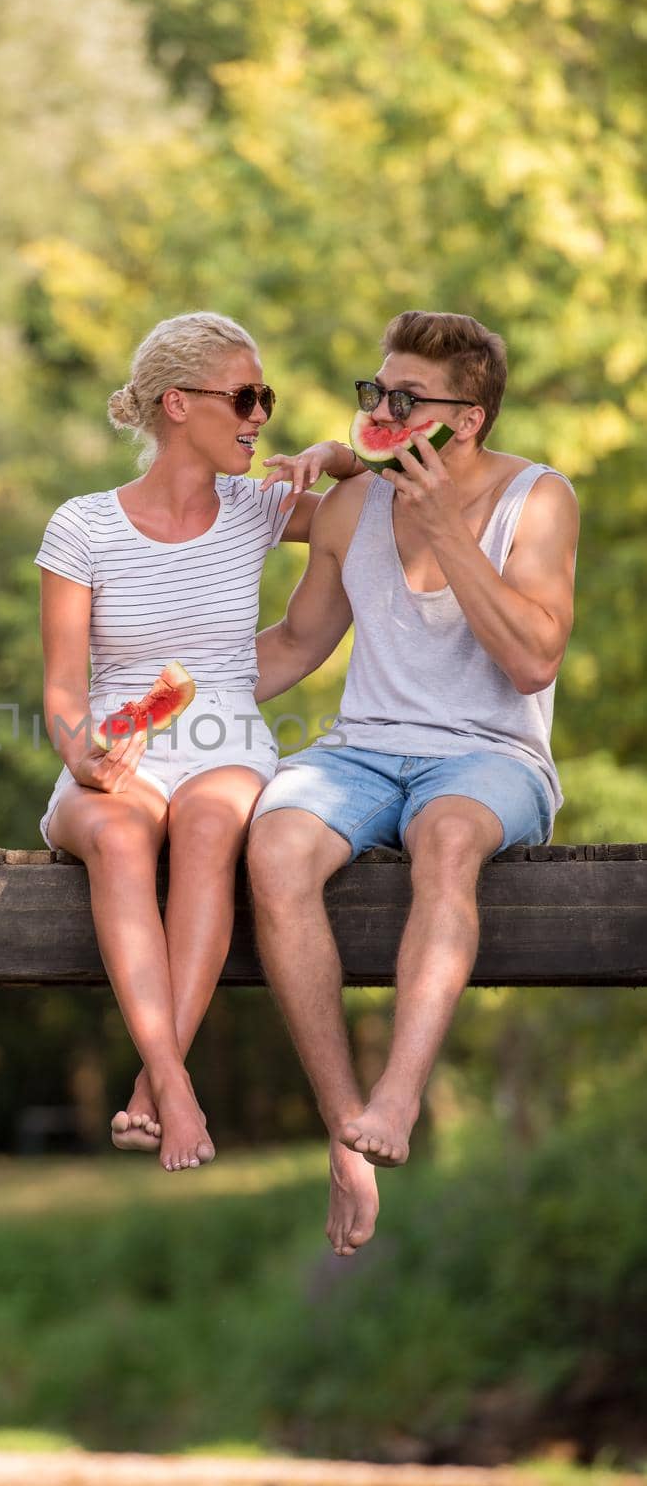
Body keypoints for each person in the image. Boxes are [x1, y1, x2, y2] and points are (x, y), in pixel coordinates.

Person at [248, 310, 579, 1255]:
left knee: (446, 839)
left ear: (465, 419)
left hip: (489, 756)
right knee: (272, 845)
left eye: (405, 400)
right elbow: (298, 644)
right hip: (359, 752)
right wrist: (154, 686)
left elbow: (532, 665)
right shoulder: (356, 506)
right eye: (375, 394)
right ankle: (344, 1127)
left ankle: (399, 1092)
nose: (380, 411)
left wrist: (446, 530)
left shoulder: (540, 501)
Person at [35, 311, 358, 1172]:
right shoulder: (82, 526)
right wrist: (82, 754)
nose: (260, 417)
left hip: (225, 739)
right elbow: (65, 688)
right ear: (177, 404)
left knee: (213, 829)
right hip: (117, 745)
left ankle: (155, 1086)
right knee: (115, 834)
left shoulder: (260, 506)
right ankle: (176, 1089)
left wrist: (338, 456)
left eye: (267, 398)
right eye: (245, 397)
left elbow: (382, 500)